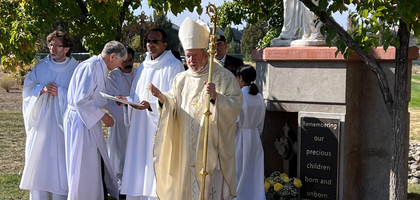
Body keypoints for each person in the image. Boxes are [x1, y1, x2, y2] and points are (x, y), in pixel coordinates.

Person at [149, 17, 243, 200]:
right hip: (185, 148)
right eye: (188, 55)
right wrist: (162, 98)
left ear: (206, 55)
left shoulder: (223, 77)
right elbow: (173, 103)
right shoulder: (181, 79)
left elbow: (236, 105)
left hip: (210, 147)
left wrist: (217, 97)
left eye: (195, 55)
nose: (191, 60)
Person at [117, 28, 184, 200]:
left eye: (155, 41)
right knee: (139, 165)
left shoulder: (173, 66)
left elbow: (175, 99)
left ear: (165, 44)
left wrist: (152, 105)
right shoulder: (143, 66)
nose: (150, 45)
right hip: (139, 125)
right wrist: (127, 100)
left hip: (157, 125)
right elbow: (135, 93)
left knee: (155, 165)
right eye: (148, 41)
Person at [63, 41, 127, 199]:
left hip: (88, 119)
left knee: (91, 164)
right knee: (82, 165)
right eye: (120, 61)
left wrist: (114, 99)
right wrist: (104, 116)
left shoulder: (100, 67)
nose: (120, 65)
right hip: (80, 121)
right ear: (112, 56)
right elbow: (81, 100)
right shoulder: (90, 67)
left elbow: (94, 96)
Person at [20, 30, 78, 200]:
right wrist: (41, 89)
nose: (53, 48)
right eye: (51, 44)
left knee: (61, 160)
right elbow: (27, 91)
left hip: (62, 124)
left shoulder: (75, 69)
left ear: (66, 48)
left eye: (57, 45)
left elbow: (79, 95)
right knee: (39, 159)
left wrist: (60, 92)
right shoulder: (40, 67)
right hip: (42, 122)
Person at [105, 46, 138, 194]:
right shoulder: (113, 76)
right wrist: (124, 110)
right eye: (124, 60)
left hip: (137, 120)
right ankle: (119, 183)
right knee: (119, 150)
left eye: (130, 60)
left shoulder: (139, 73)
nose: (127, 63)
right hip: (120, 120)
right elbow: (110, 99)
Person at [233, 65, 266, 200]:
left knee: (239, 170)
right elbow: (261, 120)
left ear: (240, 78)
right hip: (255, 137)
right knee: (254, 170)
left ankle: (239, 196)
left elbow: (235, 120)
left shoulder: (240, 97)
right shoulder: (259, 97)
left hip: (240, 136)